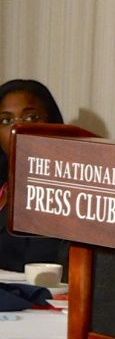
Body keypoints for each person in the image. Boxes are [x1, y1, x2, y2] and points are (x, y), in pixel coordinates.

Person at [0, 79, 67, 272]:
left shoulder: (63, 191)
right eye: (6, 120)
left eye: (30, 118)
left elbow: (45, 266)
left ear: (51, 123)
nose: (17, 128)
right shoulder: (4, 185)